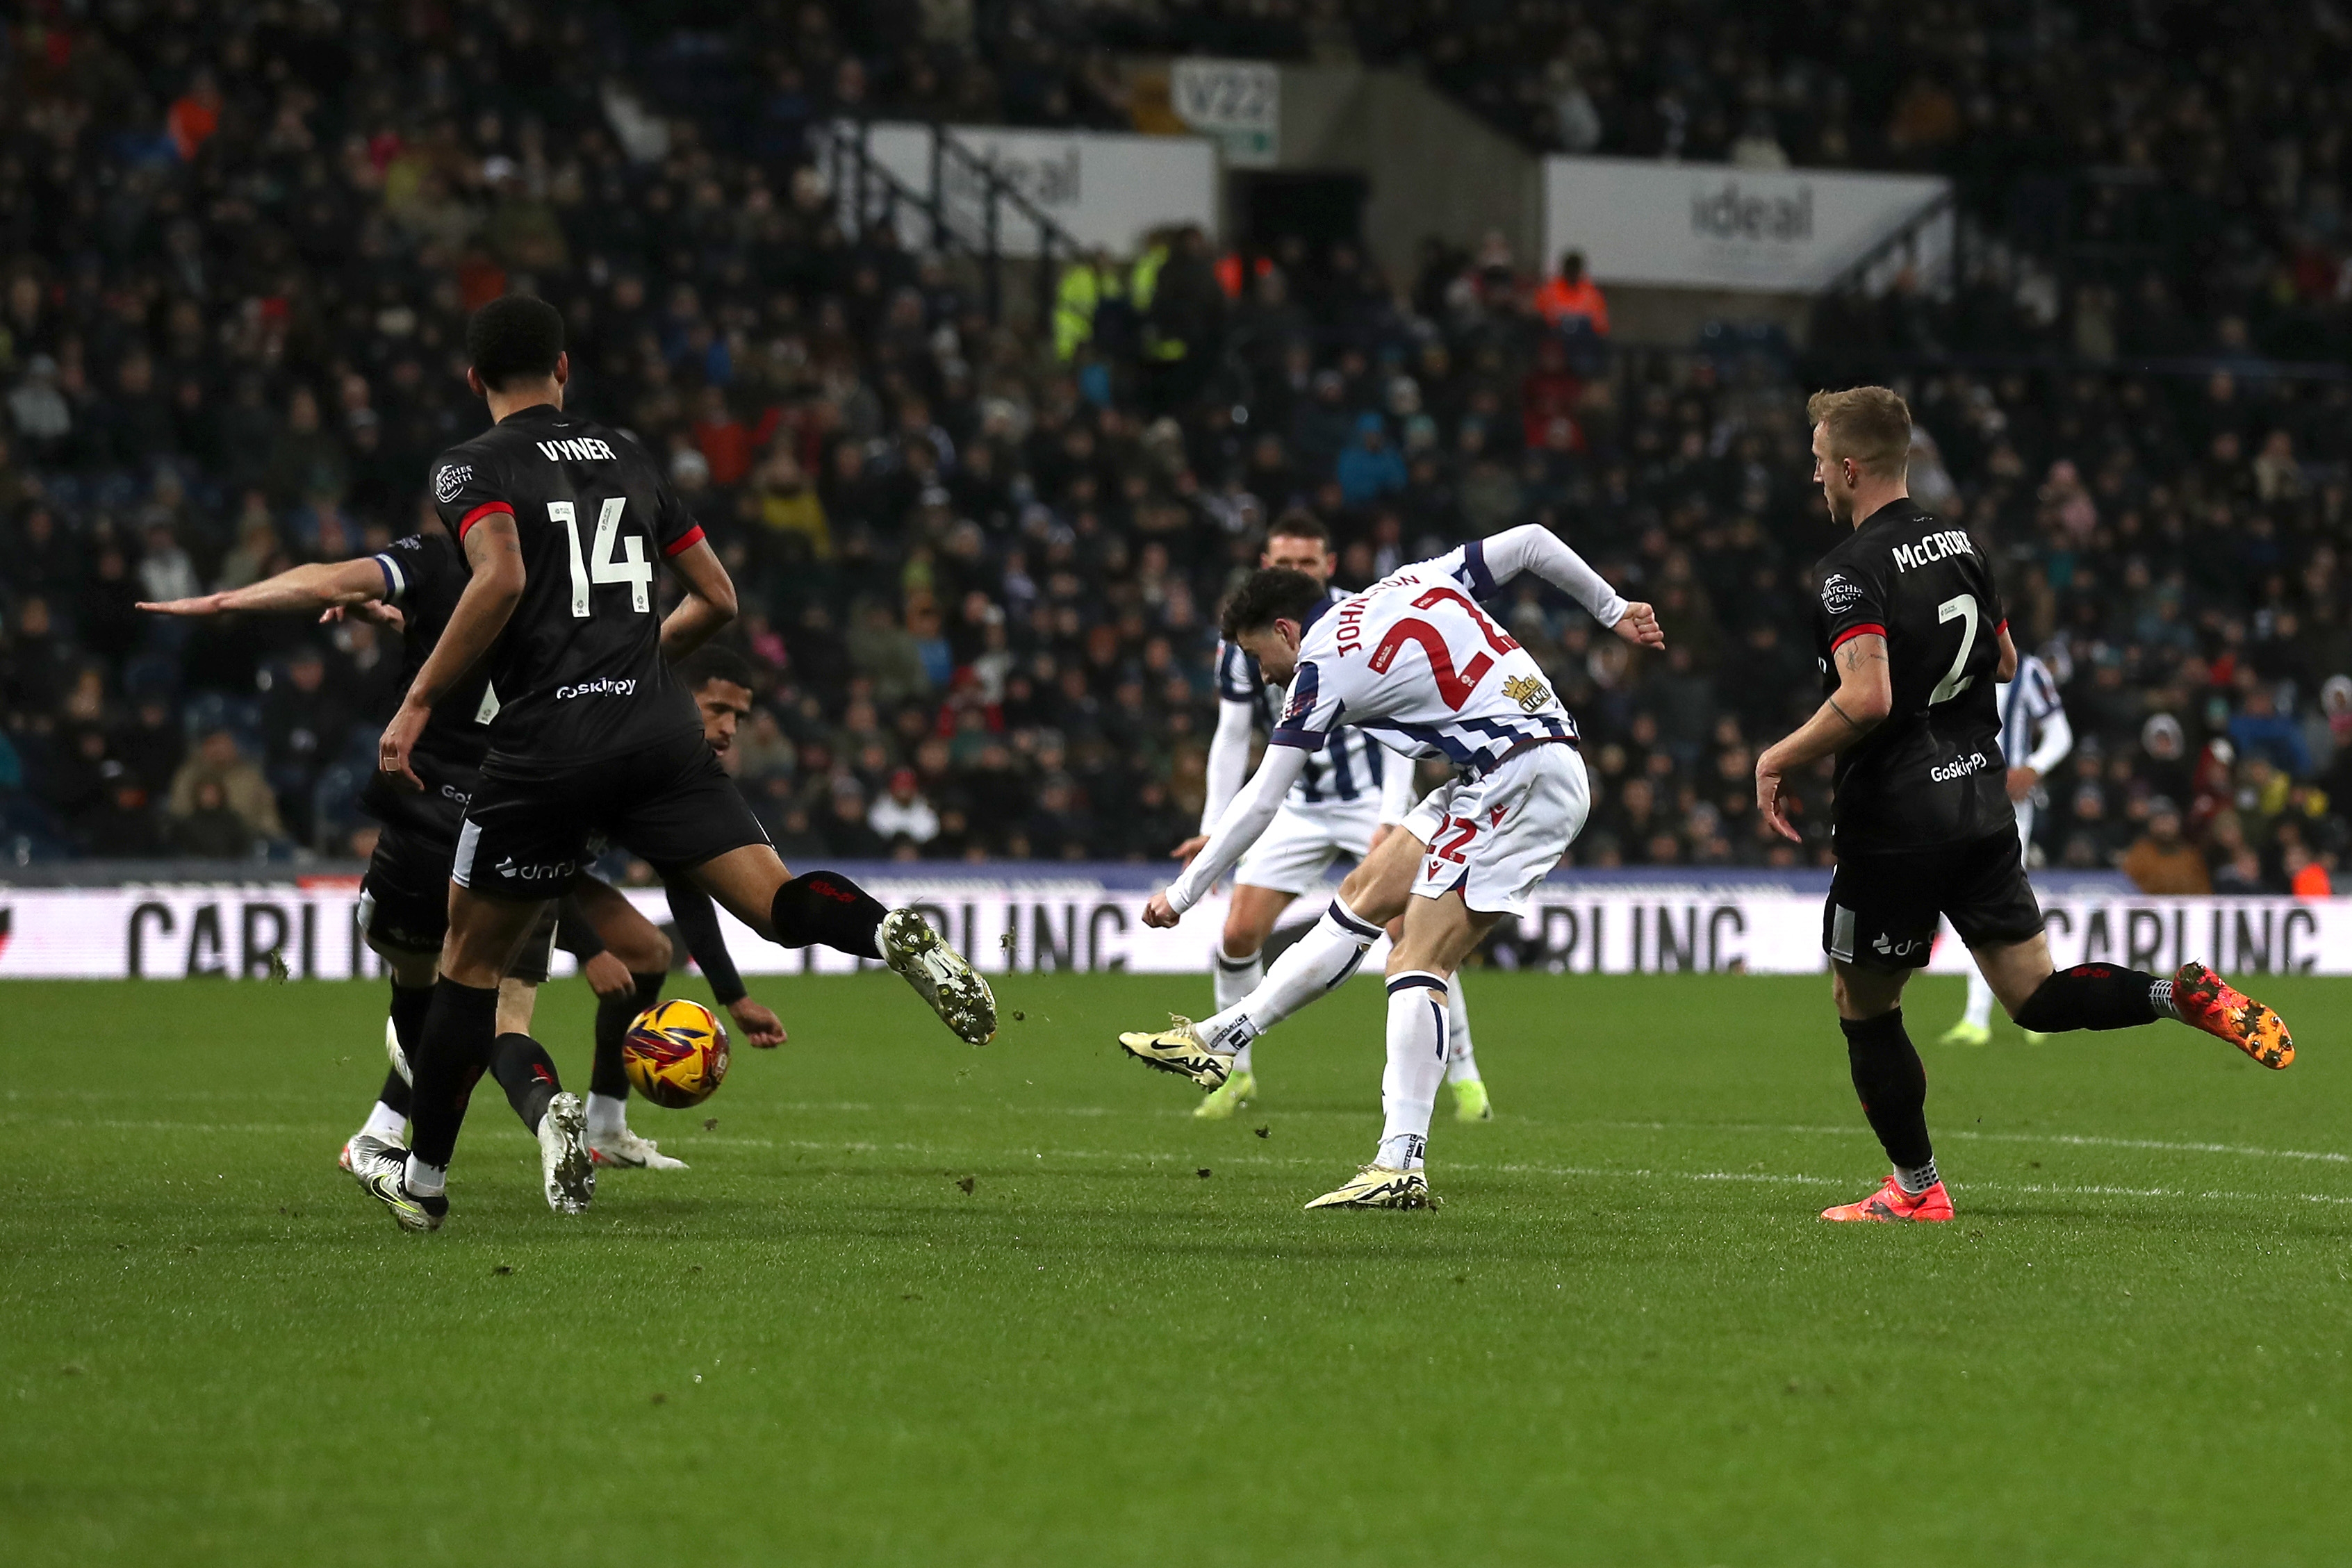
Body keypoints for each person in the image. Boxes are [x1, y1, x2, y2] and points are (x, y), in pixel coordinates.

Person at [370, 295, 992, 1232]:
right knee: (777, 904)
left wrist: (416, 702)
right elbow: (718, 598)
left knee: (469, 961)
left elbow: (498, 578)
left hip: (546, 747)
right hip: (657, 727)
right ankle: (887, 934)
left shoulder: (472, 465)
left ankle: (420, 1179)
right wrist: (631, 664)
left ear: (473, 379)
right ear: (564, 367)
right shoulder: (627, 453)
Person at [1754, 386, 2292, 1226]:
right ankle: (2171, 997)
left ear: (1851, 468)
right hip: (1978, 800)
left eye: (1820, 461)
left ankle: (1916, 1186)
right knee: (2033, 993)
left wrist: (1775, 757)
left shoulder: (1846, 573)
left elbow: (1866, 698)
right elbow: (2003, 662)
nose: (1815, 475)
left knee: (1864, 1006)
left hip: (1895, 819)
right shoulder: (1964, 543)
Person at [139, 531, 790, 1185]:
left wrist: (731, 996)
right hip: (512, 847)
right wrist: (590, 948)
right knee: (486, 1010)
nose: (731, 727)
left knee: (635, 954)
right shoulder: (613, 716)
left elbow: (683, 873)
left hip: (537, 855)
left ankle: (601, 1125)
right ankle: (402, 1132)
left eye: (740, 714)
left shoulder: (630, 712)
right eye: (719, 709)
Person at [1121, 524, 1663, 1209]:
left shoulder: (1318, 669)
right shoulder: (1412, 578)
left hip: (1518, 777)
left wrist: (1181, 894)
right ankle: (1220, 1038)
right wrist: (1613, 609)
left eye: (1260, 655)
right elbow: (1529, 541)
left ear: (1286, 629)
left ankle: (1398, 1162)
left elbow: (1262, 798)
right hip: (1499, 767)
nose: (1262, 673)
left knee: (1415, 959)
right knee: (1359, 896)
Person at [1169, 511, 1491, 1123]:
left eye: (1305, 562)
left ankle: (1465, 1077)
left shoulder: (1364, 615)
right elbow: (1232, 733)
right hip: (1294, 805)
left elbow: (1403, 719)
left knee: (1413, 934)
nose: (1293, 571)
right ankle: (1232, 1075)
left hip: (1369, 800)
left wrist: (1391, 815)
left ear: (1328, 566)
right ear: (1266, 566)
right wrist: (1215, 825)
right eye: (1282, 562)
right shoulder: (1245, 636)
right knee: (1238, 934)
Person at [1940, 647, 2072, 1046]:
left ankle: (2009, 1009)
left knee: (1999, 896)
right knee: (1974, 899)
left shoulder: (2027, 672)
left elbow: (2060, 733)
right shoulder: (1941, 661)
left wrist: (2031, 768)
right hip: (1952, 794)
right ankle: (2001, 1011)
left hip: (2005, 802)